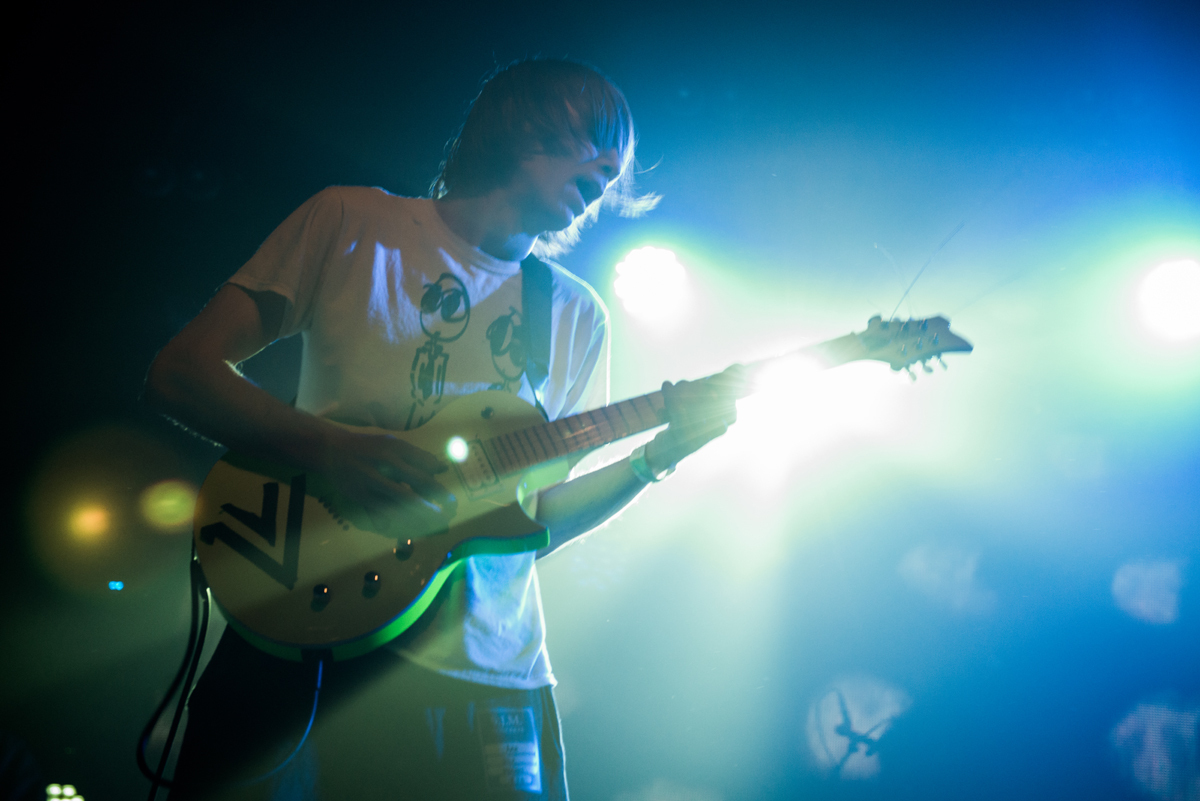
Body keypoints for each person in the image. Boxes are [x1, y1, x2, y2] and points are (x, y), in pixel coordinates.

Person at [145, 58, 741, 800]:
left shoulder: (576, 314)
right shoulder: (351, 222)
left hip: (486, 670)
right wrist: (329, 448)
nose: (611, 166)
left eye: (616, 160)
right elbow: (181, 373)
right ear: (521, 122)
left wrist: (658, 457)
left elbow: (535, 520)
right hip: (309, 625)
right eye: (595, 136)